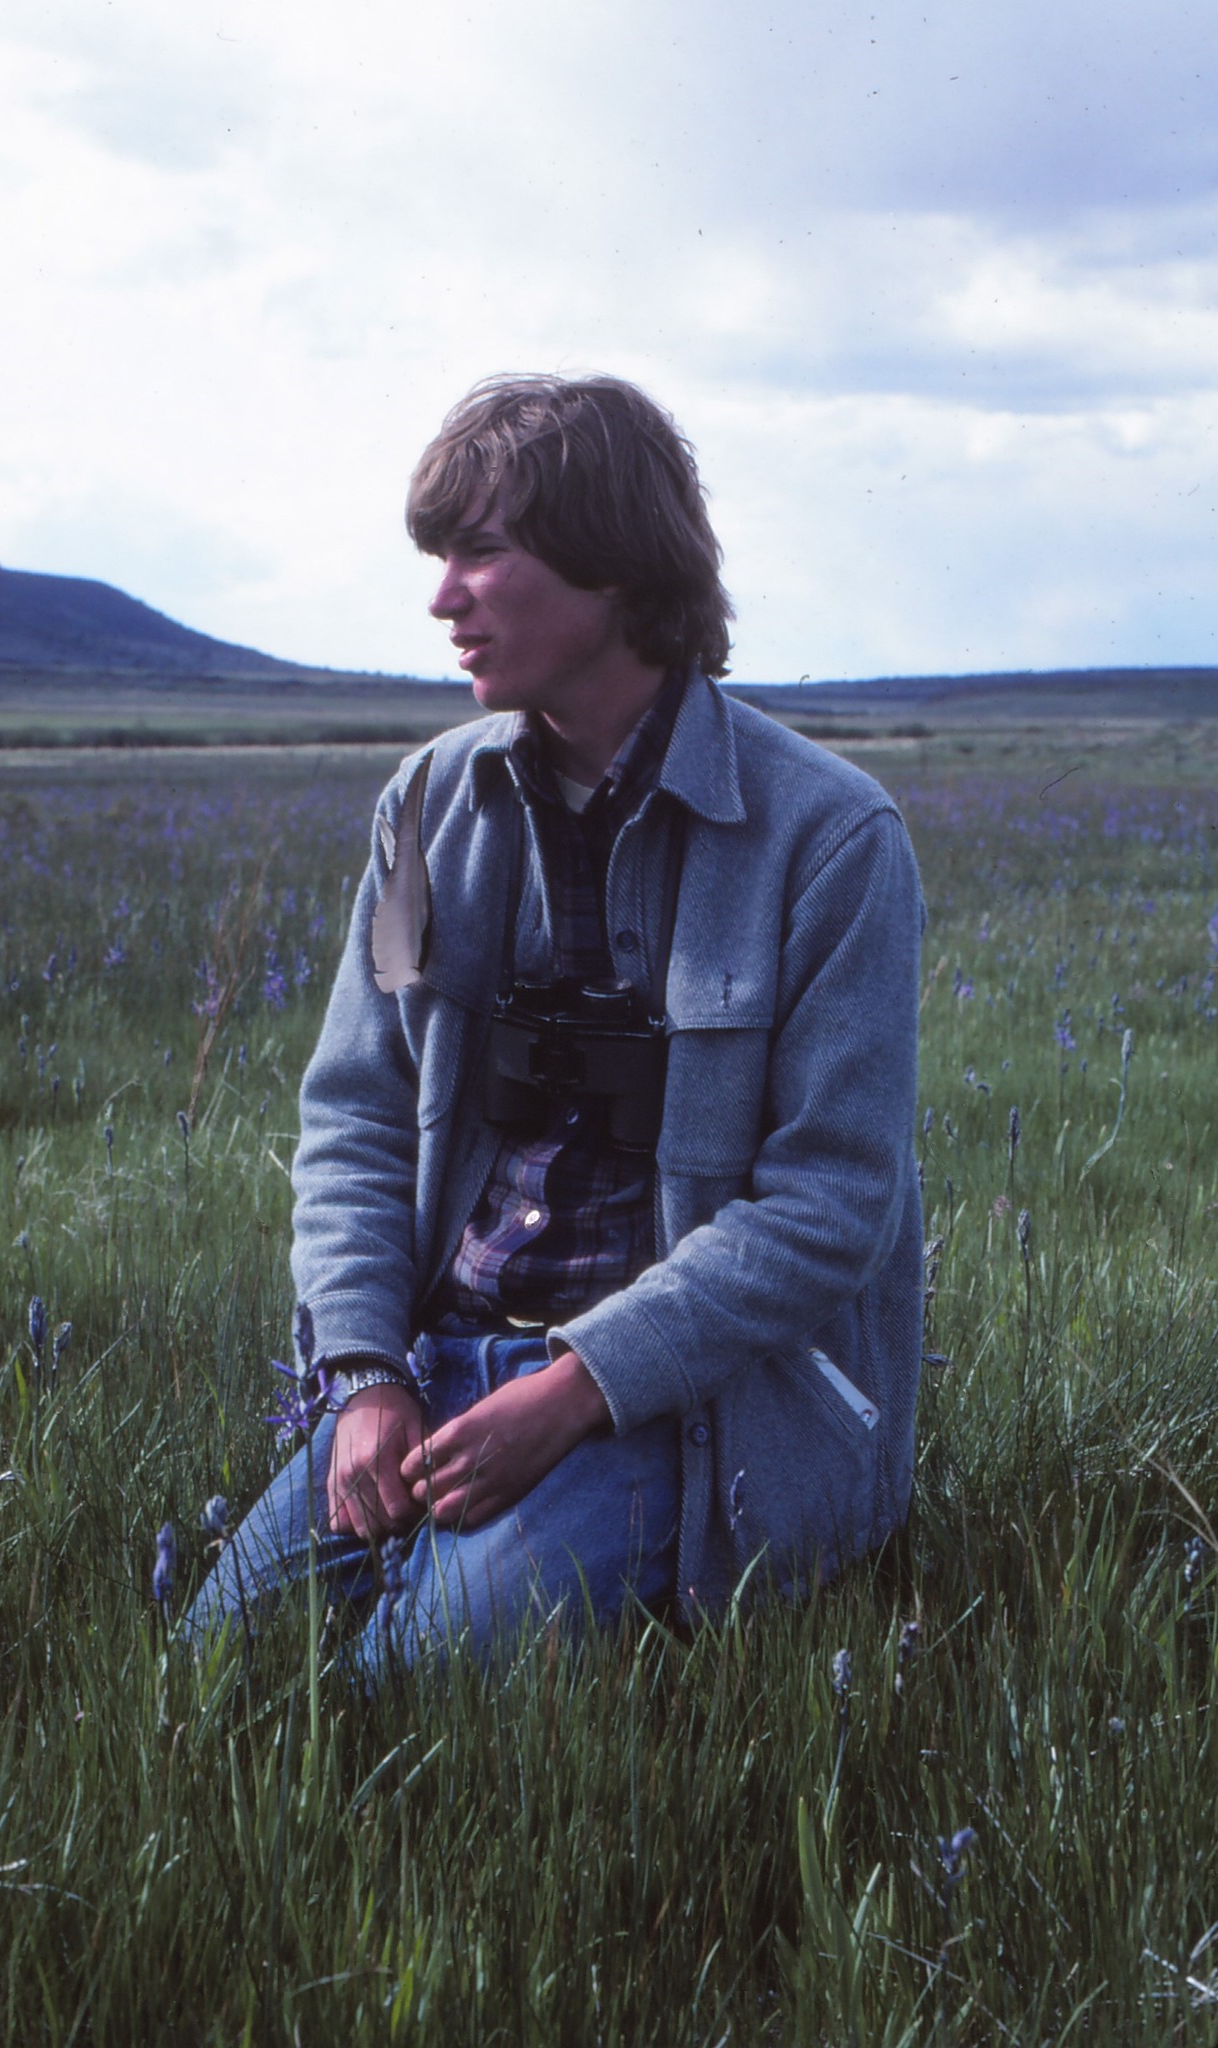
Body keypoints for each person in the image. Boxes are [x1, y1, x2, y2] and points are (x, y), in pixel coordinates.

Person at [186, 373, 925, 1670]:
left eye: (480, 551)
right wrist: (362, 1375)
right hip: (434, 1369)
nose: (441, 597)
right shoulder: (426, 806)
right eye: (439, 556)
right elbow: (355, 1112)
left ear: (612, 566)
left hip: (672, 1407)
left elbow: (829, 1207)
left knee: (402, 1683)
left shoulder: (830, 838)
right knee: (218, 1671)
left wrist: (576, 1388)